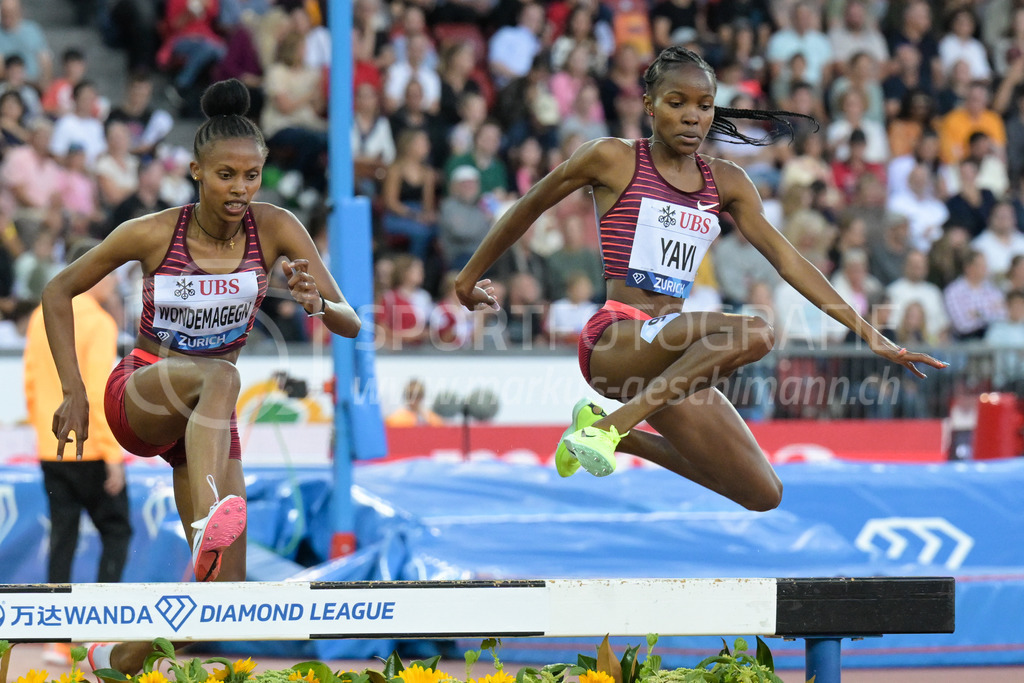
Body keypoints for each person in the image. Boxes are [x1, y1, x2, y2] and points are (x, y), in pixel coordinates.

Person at [454, 46, 947, 504]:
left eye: (705, 105)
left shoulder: (727, 182)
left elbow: (789, 259)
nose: (693, 116)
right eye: (677, 103)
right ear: (649, 106)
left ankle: (609, 431)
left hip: (673, 361)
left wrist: (870, 335)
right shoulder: (613, 157)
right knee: (756, 331)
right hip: (617, 341)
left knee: (762, 493)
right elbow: (528, 206)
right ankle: (611, 428)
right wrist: (467, 277)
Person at [41, 79, 361, 675]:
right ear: (195, 170)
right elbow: (58, 289)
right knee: (221, 375)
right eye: (225, 176)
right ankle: (211, 511)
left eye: (252, 176)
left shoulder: (277, 227)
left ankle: (114, 659)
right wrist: (73, 390)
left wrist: (319, 303)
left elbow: (351, 322)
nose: (240, 189)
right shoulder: (155, 231)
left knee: (225, 596)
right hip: (145, 390)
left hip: (206, 422)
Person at [24, 238, 132, 586]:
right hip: (91, 449)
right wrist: (111, 453)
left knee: (62, 538)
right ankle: (102, 627)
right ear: (94, 272)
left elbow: (29, 383)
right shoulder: (99, 323)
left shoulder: (42, 315)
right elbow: (98, 392)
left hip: (51, 446)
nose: (114, 281)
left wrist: (44, 431)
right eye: (110, 272)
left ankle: (57, 637)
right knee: (116, 531)